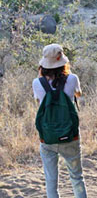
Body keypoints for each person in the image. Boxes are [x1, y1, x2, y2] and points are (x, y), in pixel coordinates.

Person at [32, 43, 87, 198]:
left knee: (51, 181)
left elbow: (39, 102)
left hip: (47, 139)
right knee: (77, 178)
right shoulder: (73, 79)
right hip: (70, 136)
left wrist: (40, 78)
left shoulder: (36, 83)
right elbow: (79, 94)